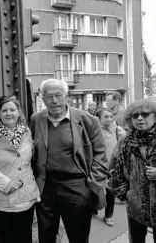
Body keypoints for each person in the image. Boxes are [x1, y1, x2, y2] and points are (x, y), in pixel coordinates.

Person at [30, 79, 108, 243]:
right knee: (46, 236)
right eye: (49, 96)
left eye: (58, 95)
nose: (54, 101)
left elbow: (101, 155)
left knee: (78, 236)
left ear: (66, 97)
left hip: (77, 187)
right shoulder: (36, 119)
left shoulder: (87, 120)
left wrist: (91, 186)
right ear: (42, 99)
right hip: (46, 187)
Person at [0, 95, 40, 243]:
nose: (9, 113)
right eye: (4, 110)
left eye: (12, 109)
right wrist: (6, 183)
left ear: (18, 112)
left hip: (27, 198)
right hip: (3, 200)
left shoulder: (27, 133)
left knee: (26, 238)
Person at [108, 99, 156, 243]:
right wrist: (126, 195)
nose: (140, 118)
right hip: (136, 207)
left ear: (155, 116)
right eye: (135, 116)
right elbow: (113, 170)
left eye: (145, 114)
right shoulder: (125, 143)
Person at [95, 107, 126, 226]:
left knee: (111, 193)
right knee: (94, 190)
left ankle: (108, 216)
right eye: (105, 117)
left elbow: (123, 150)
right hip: (97, 166)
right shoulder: (94, 130)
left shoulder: (119, 131)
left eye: (110, 116)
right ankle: (94, 209)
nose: (109, 119)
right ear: (99, 118)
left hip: (113, 168)